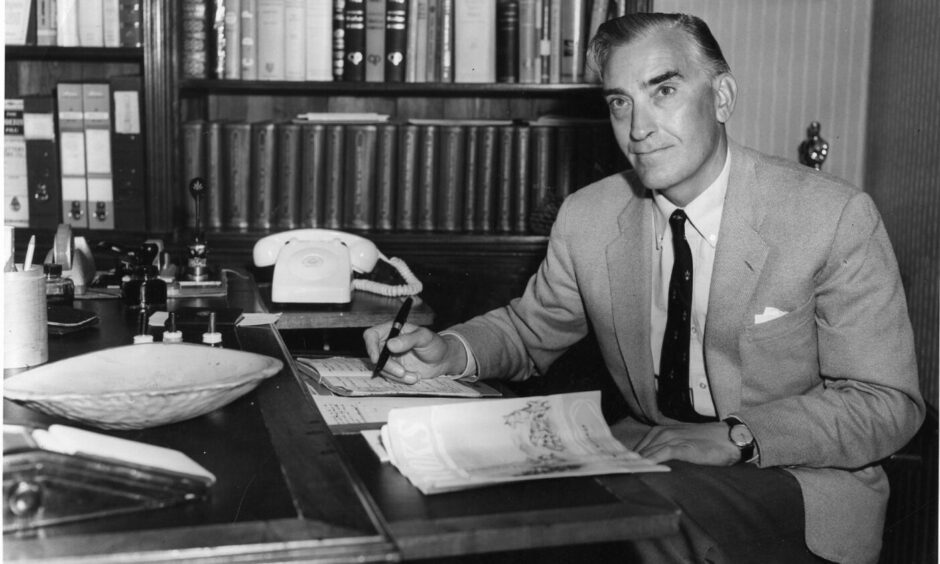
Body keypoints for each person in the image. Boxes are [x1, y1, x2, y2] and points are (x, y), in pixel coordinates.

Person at [363, 12, 924, 564]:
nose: (638, 127)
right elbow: (529, 330)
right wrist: (450, 352)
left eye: (665, 90)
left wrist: (737, 436)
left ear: (722, 97)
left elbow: (885, 404)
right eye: (619, 102)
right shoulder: (589, 216)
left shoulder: (830, 216)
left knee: (626, 524)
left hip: (797, 480)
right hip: (650, 455)